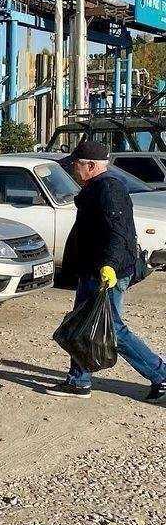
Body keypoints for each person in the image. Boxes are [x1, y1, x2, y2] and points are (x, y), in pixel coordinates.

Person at [47, 137, 165, 402]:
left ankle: (161, 374)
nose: (73, 169)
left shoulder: (109, 189)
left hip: (105, 274)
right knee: (84, 324)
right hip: (92, 271)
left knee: (111, 329)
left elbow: (119, 233)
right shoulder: (95, 187)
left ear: (89, 166)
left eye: (76, 164)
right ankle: (79, 380)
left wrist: (109, 266)